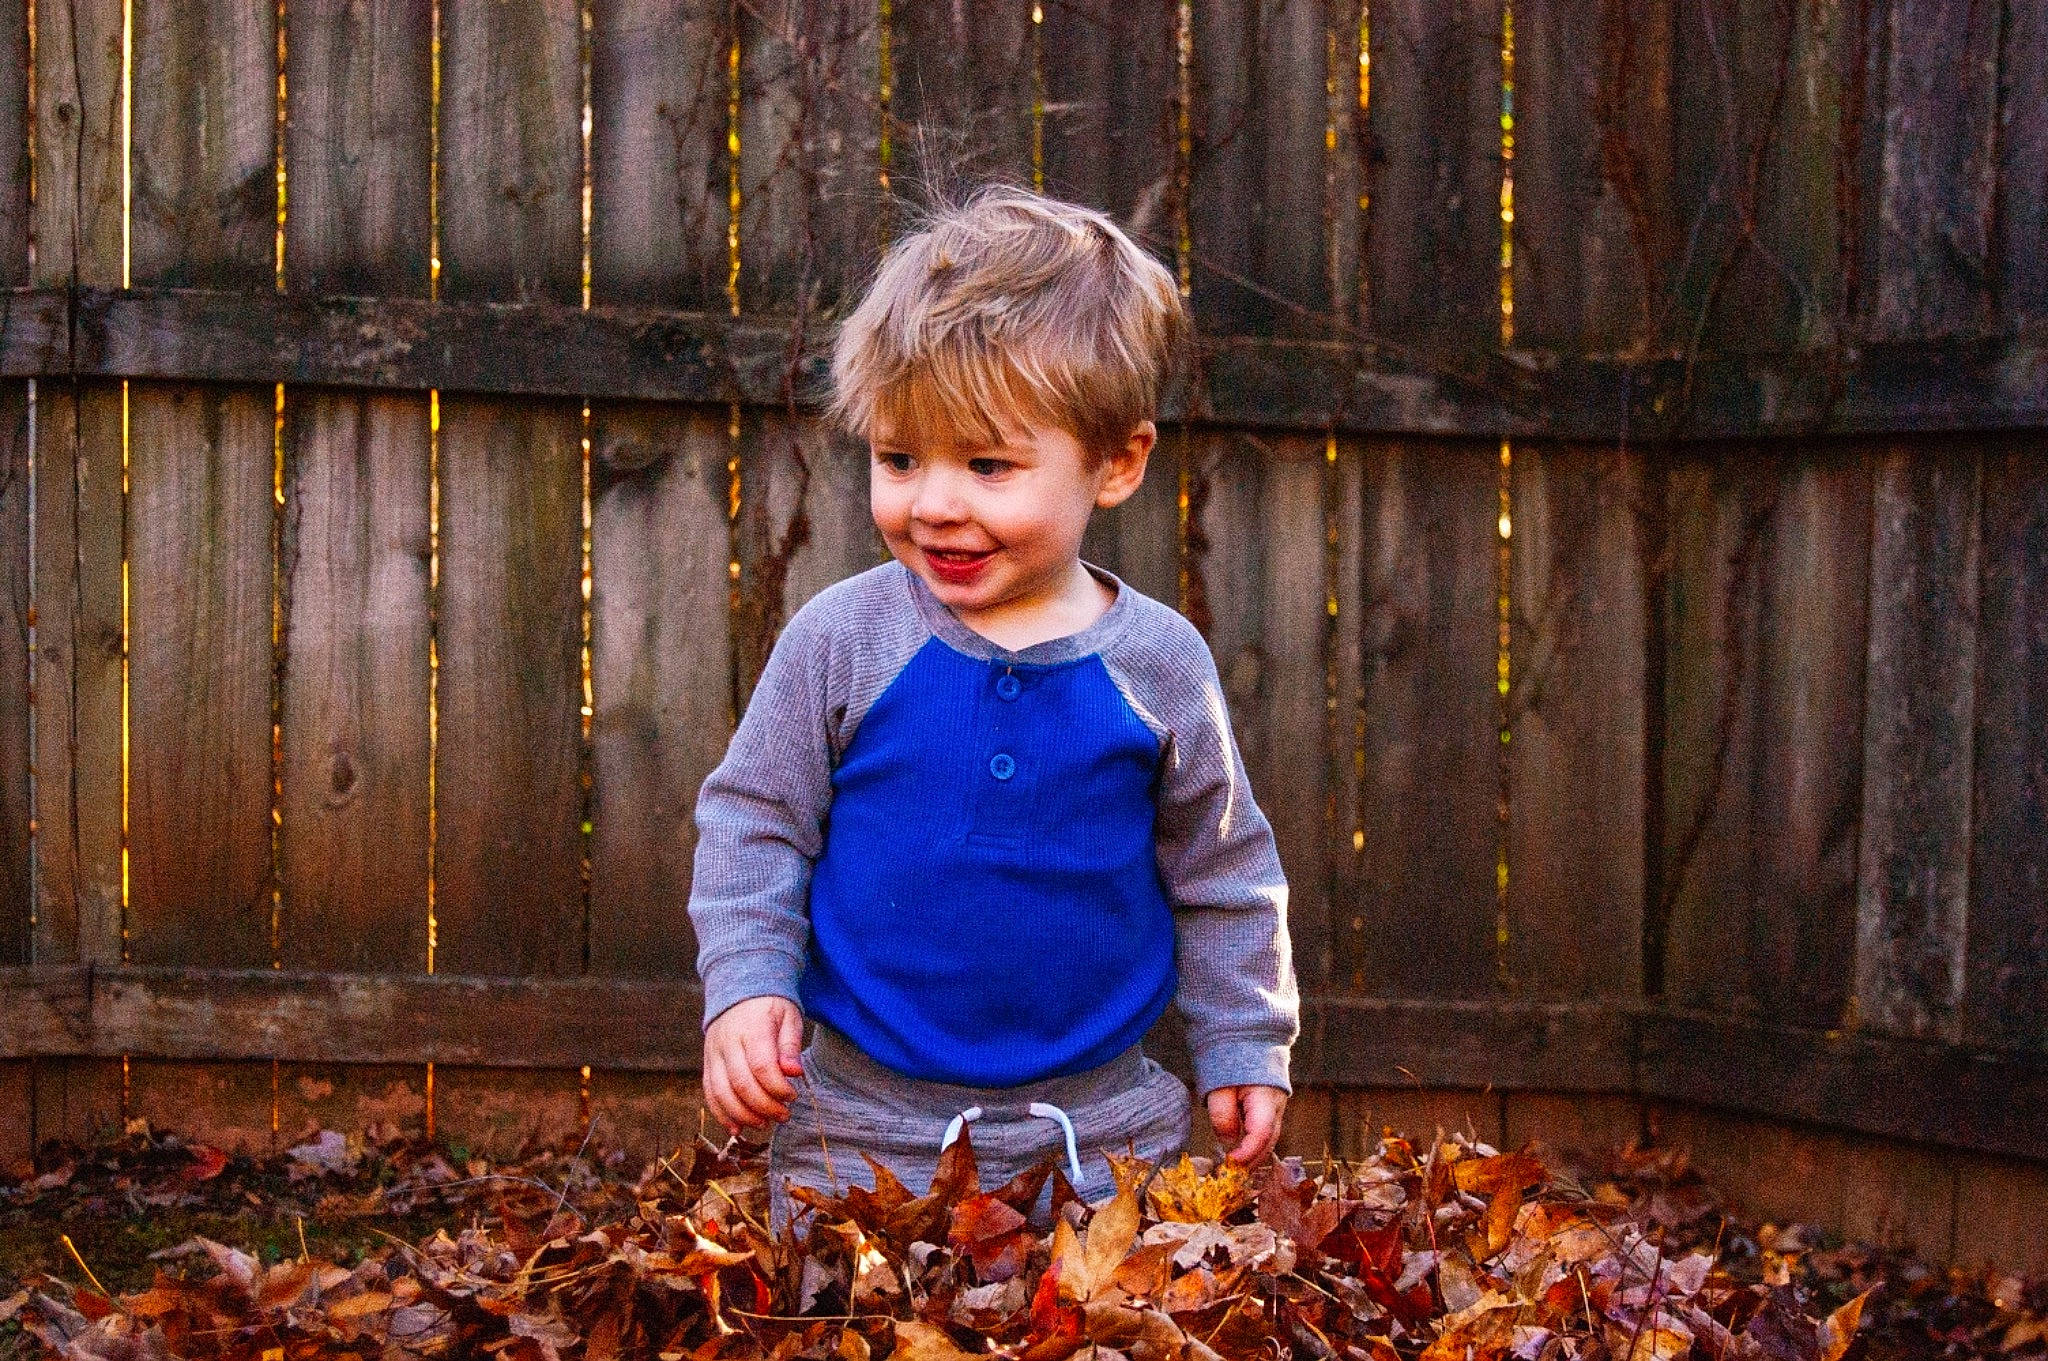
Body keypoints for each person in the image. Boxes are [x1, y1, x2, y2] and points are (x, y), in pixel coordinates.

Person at [687, 185, 1298, 1227]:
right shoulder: (844, 641)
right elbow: (755, 820)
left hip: (1097, 1134)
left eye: (986, 464)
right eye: (897, 458)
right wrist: (746, 984)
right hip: (857, 1124)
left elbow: (1225, 870)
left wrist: (1244, 1040)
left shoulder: (1156, 666)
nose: (932, 502)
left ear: (1115, 462)